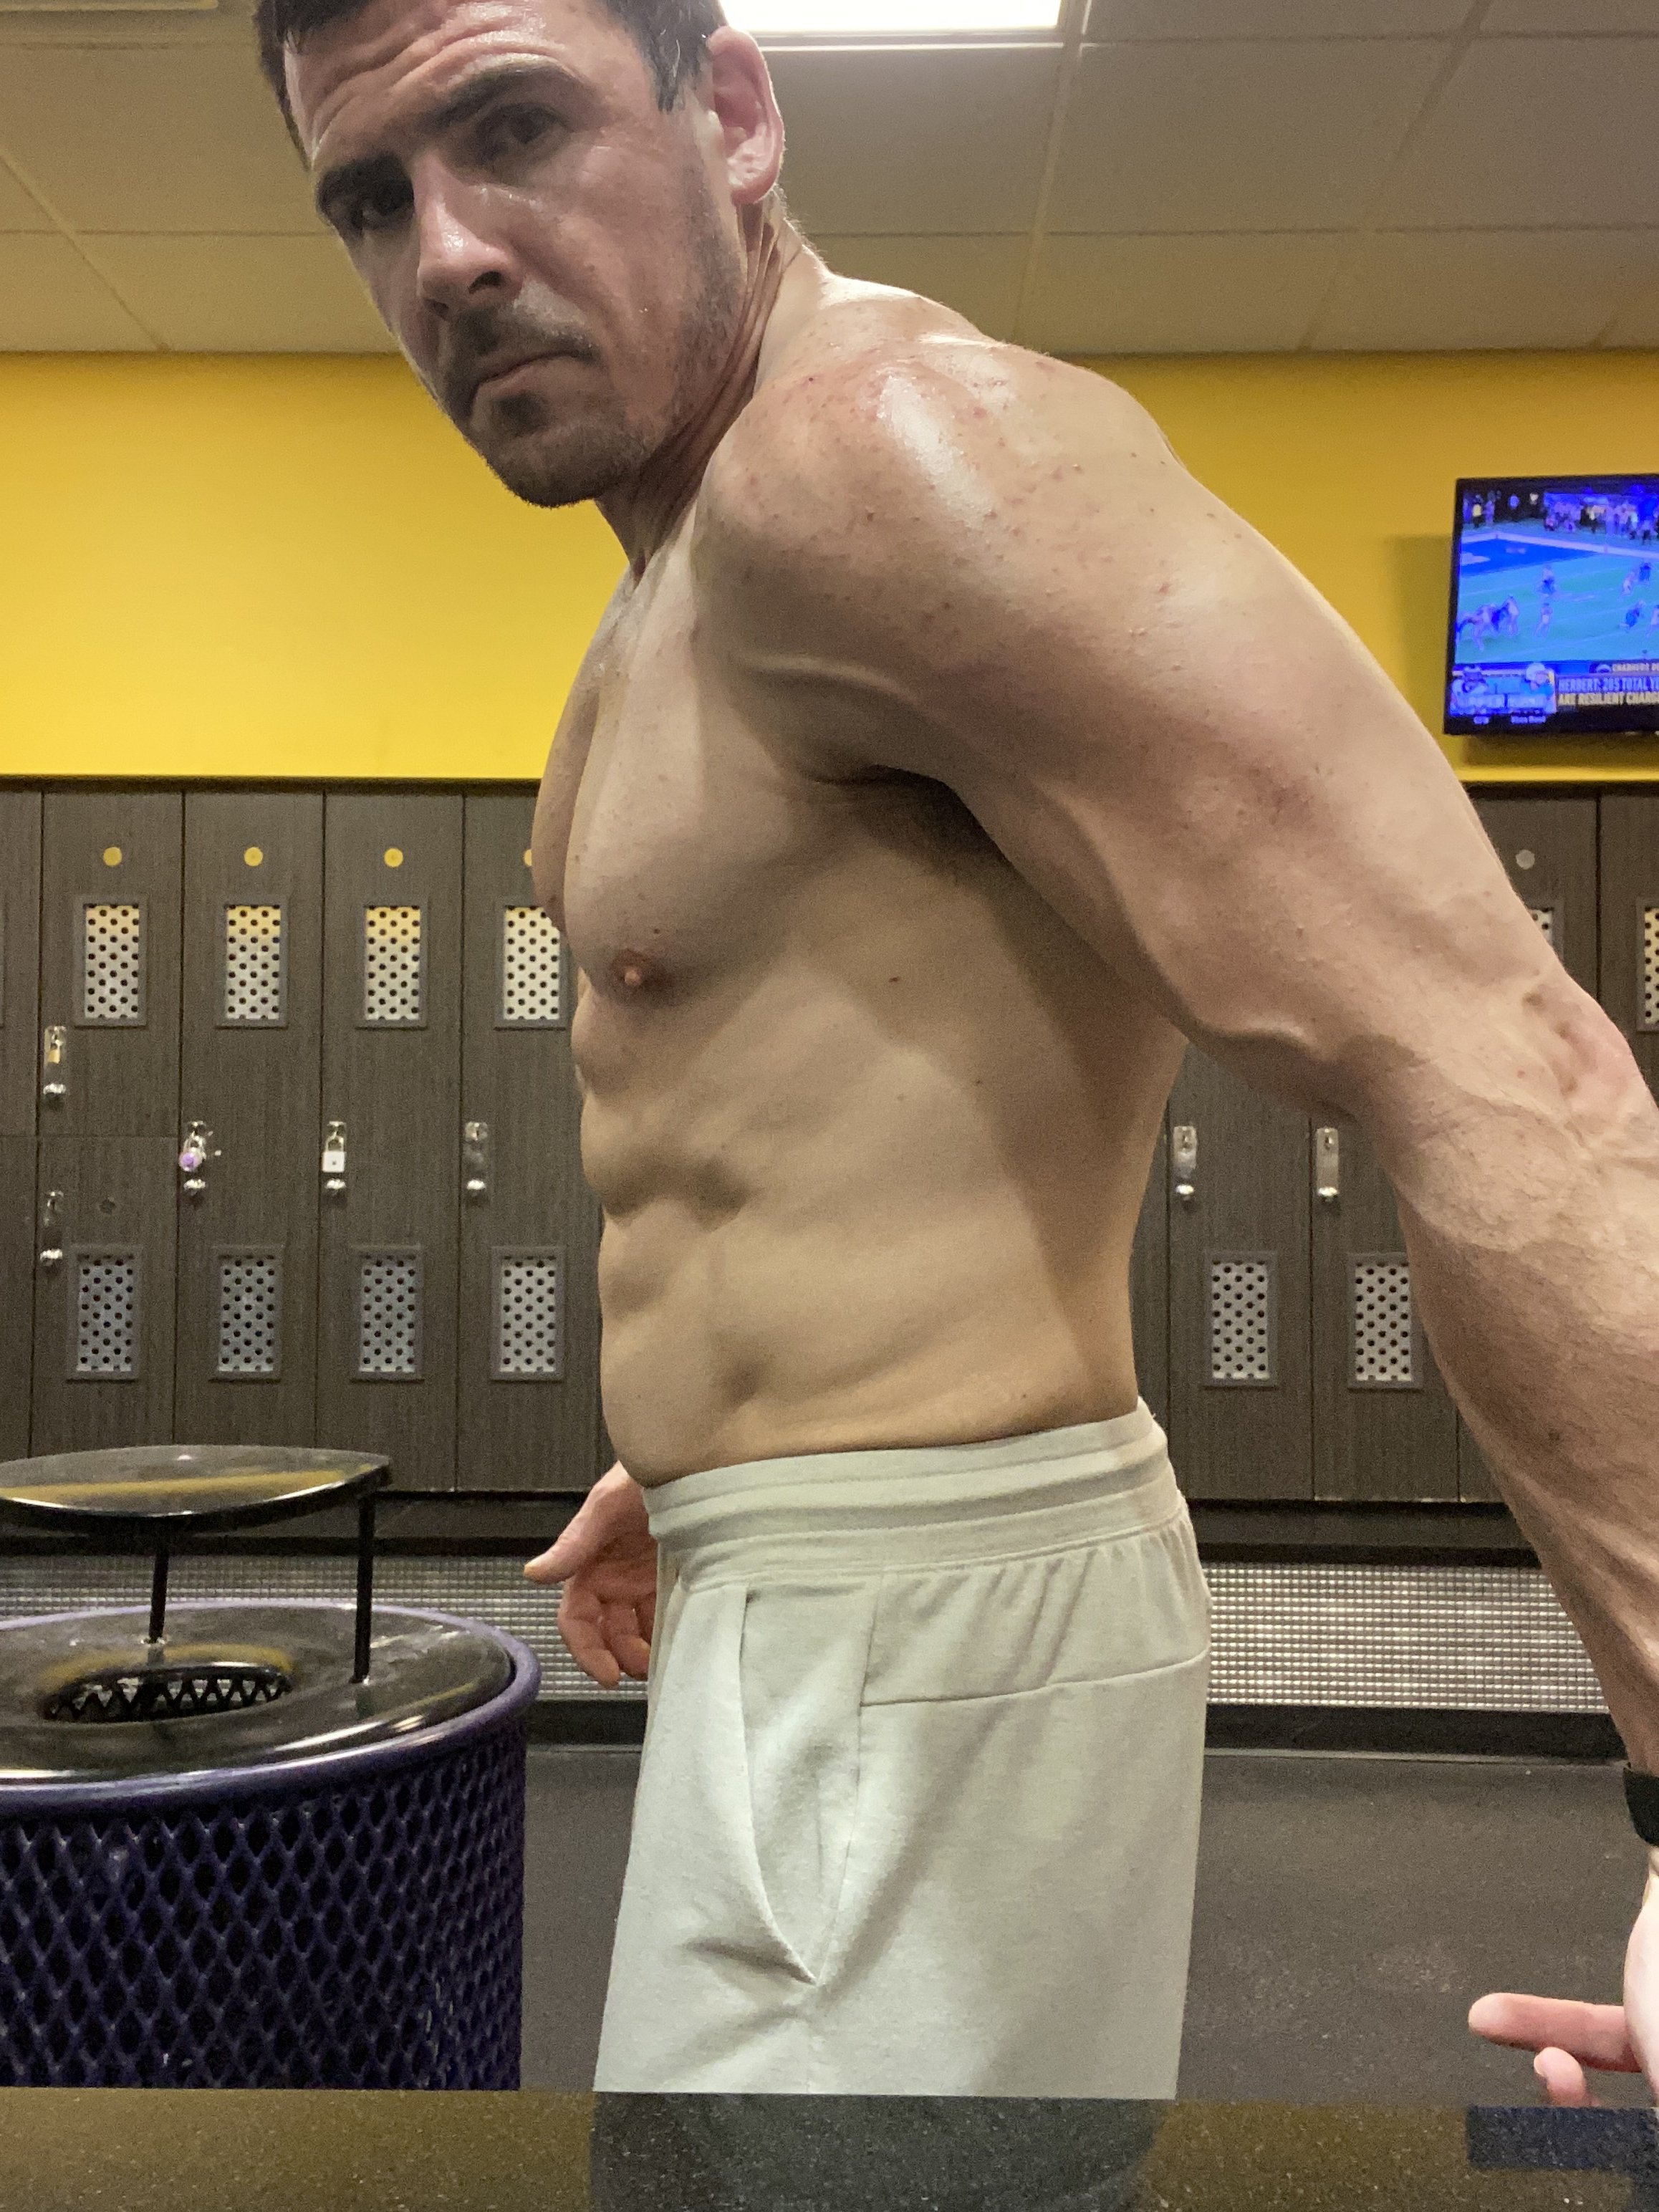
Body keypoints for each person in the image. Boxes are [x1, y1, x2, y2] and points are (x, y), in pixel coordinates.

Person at [261, 0, 1659, 2104]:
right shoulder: (677, 573)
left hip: (924, 1613)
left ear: (734, 114)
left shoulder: (880, 462)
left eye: (516, 127)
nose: (445, 253)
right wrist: (718, 1444)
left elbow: (1502, 1064)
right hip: (822, 1575)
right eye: (370, 199)